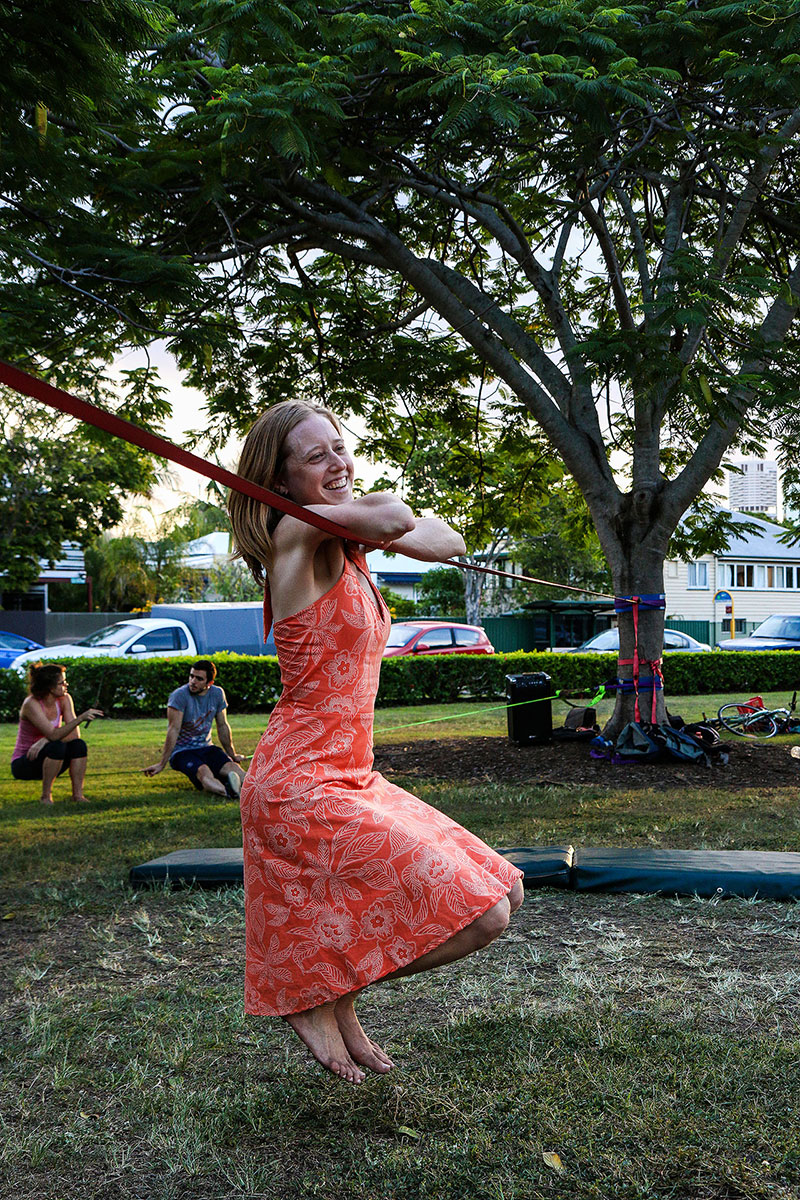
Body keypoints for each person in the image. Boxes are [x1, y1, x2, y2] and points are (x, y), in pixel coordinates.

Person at [228, 400, 524, 1085]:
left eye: (341, 448)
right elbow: (395, 516)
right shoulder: (296, 537)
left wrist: (358, 508)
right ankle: (310, 995)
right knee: (478, 915)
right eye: (316, 456)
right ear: (280, 482)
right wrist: (357, 509)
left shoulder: (341, 543)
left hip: (350, 771)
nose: (339, 465)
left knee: (500, 898)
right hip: (299, 781)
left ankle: (337, 995)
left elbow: (445, 542)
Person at [143, 660, 247, 798]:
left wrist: (232, 755)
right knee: (204, 772)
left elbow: (222, 726)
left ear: (209, 683)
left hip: (206, 748)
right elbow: (173, 730)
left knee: (233, 768)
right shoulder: (179, 696)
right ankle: (229, 792)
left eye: (199, 679)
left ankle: (253, 788)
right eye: (191, 676)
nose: (193, 681)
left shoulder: (217, 694)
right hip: (183, 752)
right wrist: (162, 764)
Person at [11, 662, 103, 804]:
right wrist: (80, 719)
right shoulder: (31, 704)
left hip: (51, 755)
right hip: (26, 761)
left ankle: (78, 796)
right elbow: (53, 735)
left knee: (79, 745)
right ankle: (46, 796)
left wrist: (44, 740)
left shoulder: (65, 699)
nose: (66, 685)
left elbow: (74, 735)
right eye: (62, 683)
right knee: (57, 746)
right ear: (50, 687)